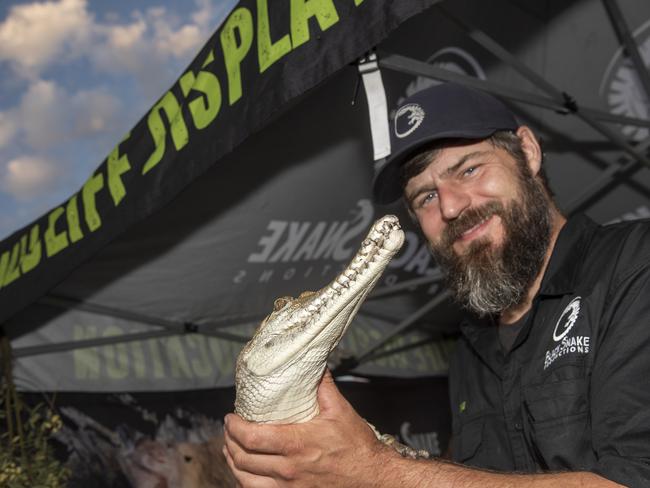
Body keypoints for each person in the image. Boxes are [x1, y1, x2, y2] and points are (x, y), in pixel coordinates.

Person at [223, 83, 650, 487]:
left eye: (469, 169)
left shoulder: (635, 266)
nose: (449, 205)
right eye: (425, 197)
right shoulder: (471, 350)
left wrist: (375, 470)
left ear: (528, 152)